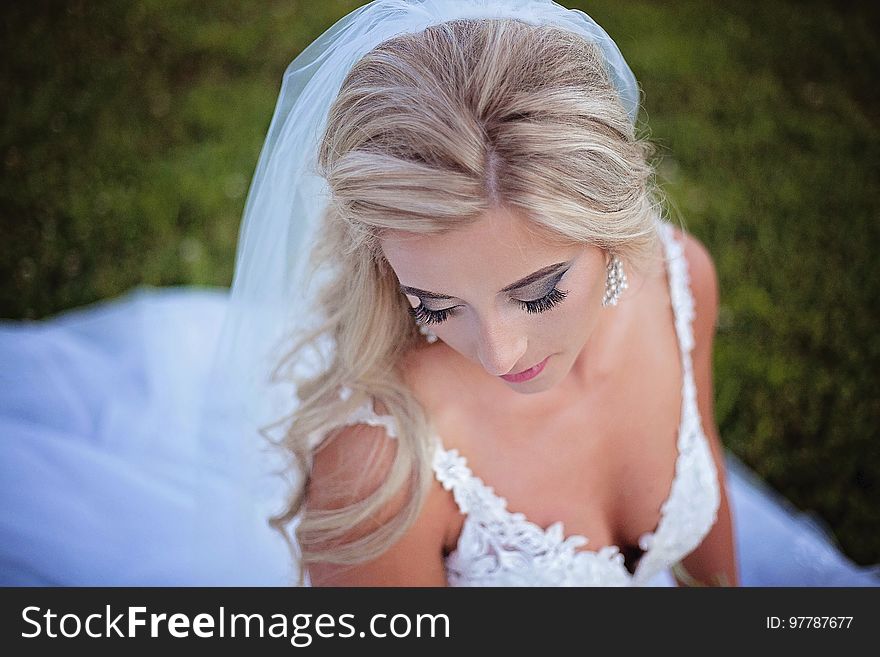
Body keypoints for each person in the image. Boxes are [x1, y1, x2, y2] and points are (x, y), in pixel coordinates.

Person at [2, 0, 879, 588]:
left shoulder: (678, 277)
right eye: (435, 306)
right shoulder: (380, 466)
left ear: (611, 225)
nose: (500, 354)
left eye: (537, 293)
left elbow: (711, 502)